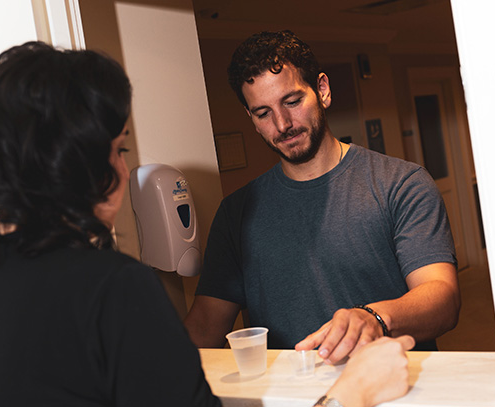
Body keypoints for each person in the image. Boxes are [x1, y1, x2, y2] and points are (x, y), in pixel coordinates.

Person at [0, 41, 414, 407]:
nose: (124, 168)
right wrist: (353, 394)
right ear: (78, 163)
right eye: (120, 149)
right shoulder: (113, 288)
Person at [185, 30, 461, 363]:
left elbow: (442, 300)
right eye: (263, 113)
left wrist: (374, 318)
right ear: (252, 120)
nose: (283, 124)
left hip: (389, 387)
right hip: (289, 395)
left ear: (323, 91)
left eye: (292, 101)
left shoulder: (400, 185)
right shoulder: (236, 212)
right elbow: (204, 327)